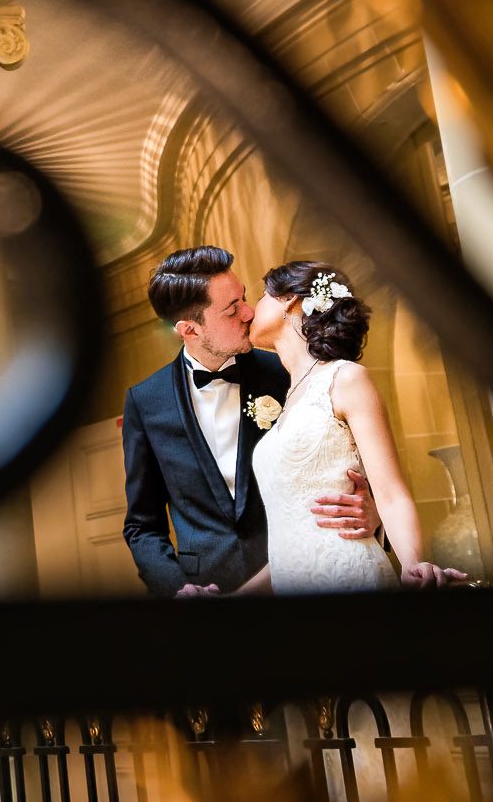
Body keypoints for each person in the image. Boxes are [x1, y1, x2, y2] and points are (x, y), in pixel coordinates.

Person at [122, 246, 379, 598]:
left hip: (302, 575)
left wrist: (372, 511)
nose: (249, 312)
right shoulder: (145, 402)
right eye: (232, 309)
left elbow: (349, 461)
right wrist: (178, 588)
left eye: (243, 297)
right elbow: (142, 525)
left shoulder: (288, 374)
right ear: (190, 330)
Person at [235, 260, 463, 593]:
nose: (250, 311)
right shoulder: (289, 397)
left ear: (289, 300)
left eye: (260, 296)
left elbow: (390, 493)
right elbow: (289, 543)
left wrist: (412, 563)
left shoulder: (345, 378)